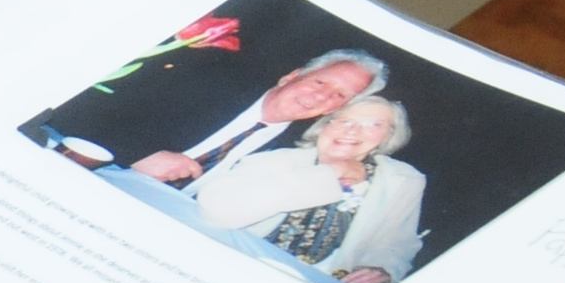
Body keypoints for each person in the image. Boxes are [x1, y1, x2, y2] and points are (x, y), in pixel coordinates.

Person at [52, 49, 392, 186]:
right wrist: (140, 155)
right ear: (292, 76)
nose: (321, 96)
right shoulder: (209, 81)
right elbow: (87, 109)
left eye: (338, 96)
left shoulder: (295, 150)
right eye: (321, 82)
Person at [193, 95, 427, 283]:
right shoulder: (270, 161)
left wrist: (382, 269)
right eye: (343, 120)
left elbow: (397, 242)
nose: (352, 130)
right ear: (325, 125)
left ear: (388, 136)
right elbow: (218, 212)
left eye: (373, 124)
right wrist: (332, 173)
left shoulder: (402, 180)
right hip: (233, 269)